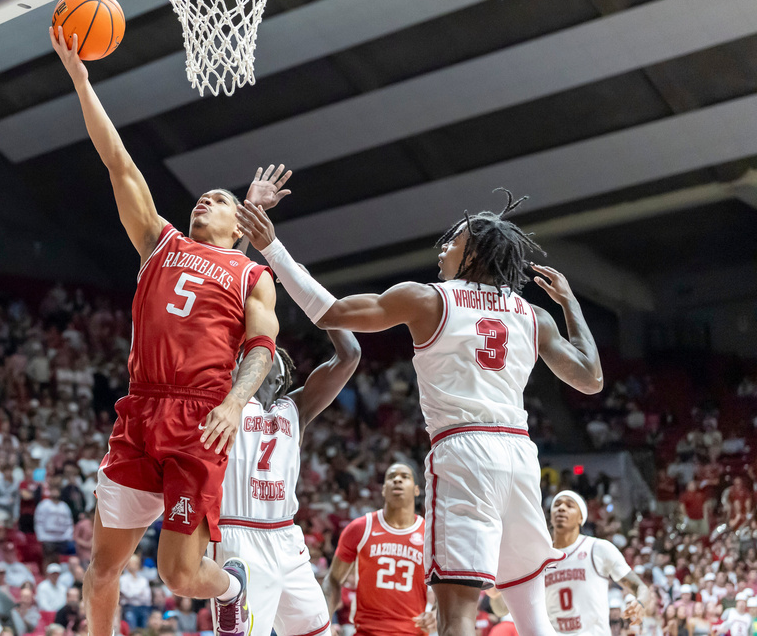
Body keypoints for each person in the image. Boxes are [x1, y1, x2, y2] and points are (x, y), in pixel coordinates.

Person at [237, 190, 605, 636]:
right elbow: (590, 379)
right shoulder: (533, 316)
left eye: (452, 242)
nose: (443, 249)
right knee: (532, 617)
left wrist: (273, 248)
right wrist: (571, 305)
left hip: (465, 452)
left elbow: (330, 313)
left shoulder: (429, 299)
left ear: (473, 253)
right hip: (521, 457)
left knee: (456, 617)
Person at [50, 29, 281, 636]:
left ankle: (232, 587)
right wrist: (81, 81)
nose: (206, 199)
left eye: (221, 200)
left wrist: (236, 402)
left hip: (200, 417)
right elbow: (118, 163)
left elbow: (261, 346)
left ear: (240, 226)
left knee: (178, 576)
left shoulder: (252, 274)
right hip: (140, 411)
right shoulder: (160, 243)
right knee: (101, 571)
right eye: (203, 197)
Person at [211, 324, 360, 636]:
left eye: (261, 357)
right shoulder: (221, 400)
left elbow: (350, 356)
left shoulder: (296, 408)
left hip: (286, 538)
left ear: (278, 377)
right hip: (238, 538)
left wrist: (312, 302)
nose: (249, 360)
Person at [324, 463, 433, 636]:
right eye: (391, 477)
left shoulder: (429, 534)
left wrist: (436, 612)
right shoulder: (360, 528)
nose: (397, 480)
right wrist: (325, 624)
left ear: (417, 490)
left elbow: (446, 586)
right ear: (383, 490)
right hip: (367, 632)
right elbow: (333, 579)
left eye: (404, 477)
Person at [544, 491, 648, 636]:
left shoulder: (598, 548)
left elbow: (640, 587)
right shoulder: (540, 557)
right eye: (557, 505)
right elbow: (501, 608)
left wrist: (641, 602)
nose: (561, 508)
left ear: (581, 517)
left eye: (569, 505)